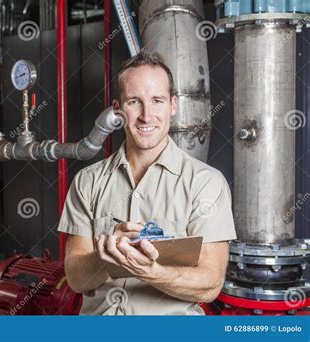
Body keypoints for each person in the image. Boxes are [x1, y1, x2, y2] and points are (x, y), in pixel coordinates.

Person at [57, 50, 236, 315]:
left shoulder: (206, 184)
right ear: (117, 109)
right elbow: (76, 278)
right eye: (134, 102)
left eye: (157, 101)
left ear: (173, 106)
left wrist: (154, 272)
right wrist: (104, 257)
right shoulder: (87, 182)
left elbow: (209, 285)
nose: (146, 115)